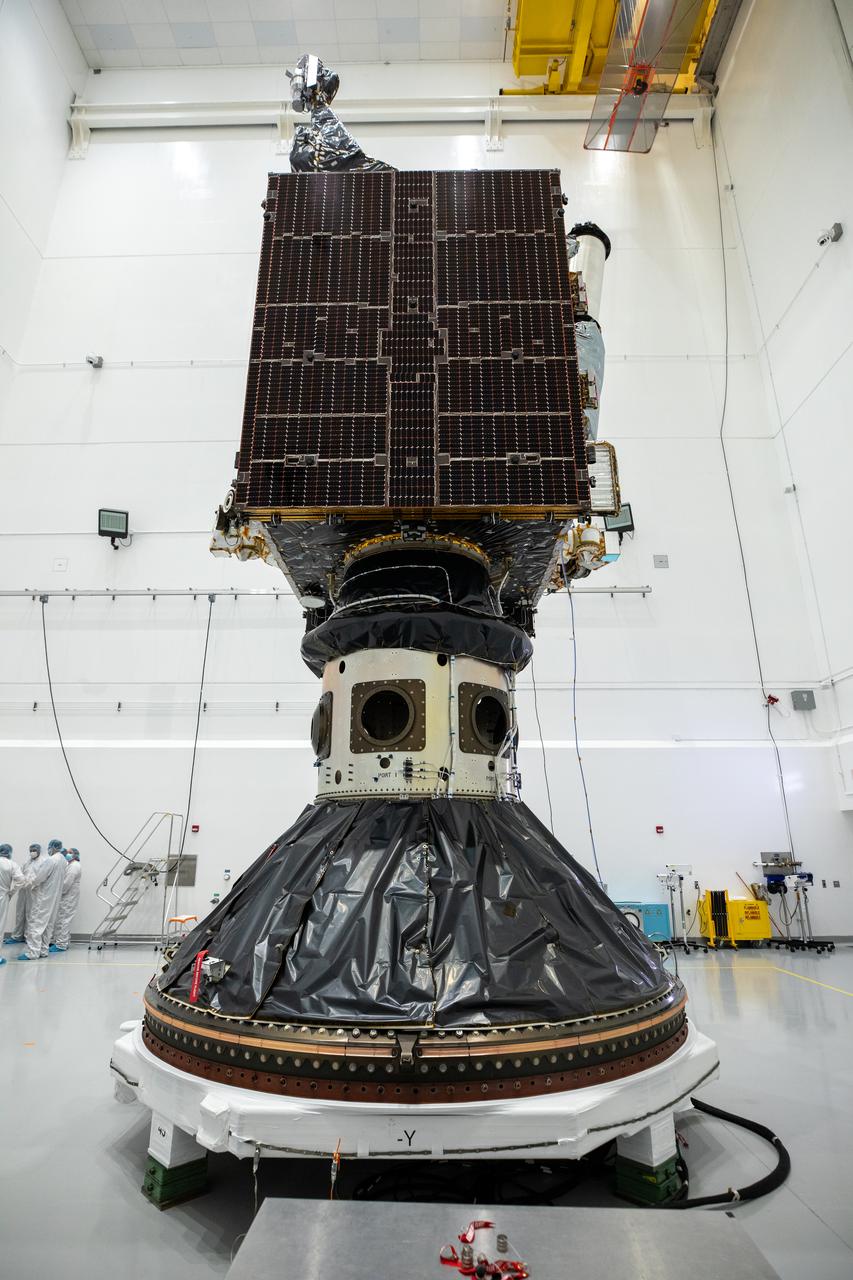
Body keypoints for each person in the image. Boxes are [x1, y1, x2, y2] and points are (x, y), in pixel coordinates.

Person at [18, 842, 63, 961]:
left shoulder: (50, 860)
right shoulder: (62, 860)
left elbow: (39, 877)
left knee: (36, 923)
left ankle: (32, 953)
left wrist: (30, 884)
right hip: (54, 897)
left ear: (52, 847)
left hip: (44, 896)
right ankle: (43, 950)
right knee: (48, 924)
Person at [5, 843, 42, 945]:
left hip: (33, 891)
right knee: (20, 913)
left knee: (31, 914)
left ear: (39, 851)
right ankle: (17, 936)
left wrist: (30, 884)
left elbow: (40, 877)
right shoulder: (27, 862)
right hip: (23, 890)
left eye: (34, 850)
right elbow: (20, 874)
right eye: (31, 850)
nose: (32, 852)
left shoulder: (42, 862)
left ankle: (28, 936)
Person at [50, 850, 81, 953]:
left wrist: (57, 891)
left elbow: (66, 884)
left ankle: (61, 944)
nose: (67, 854)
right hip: (68, 896)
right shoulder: (71, 865)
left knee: (64, 920)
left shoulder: (74, 866)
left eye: (70, 852)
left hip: (68, 896)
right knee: (63, 919)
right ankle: (63, 942)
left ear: (75, 854)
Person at [0, 846, 25, 965]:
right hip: (2, 897)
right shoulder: (11, 864)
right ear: (9, 853)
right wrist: (11, 892)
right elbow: (21, 880)